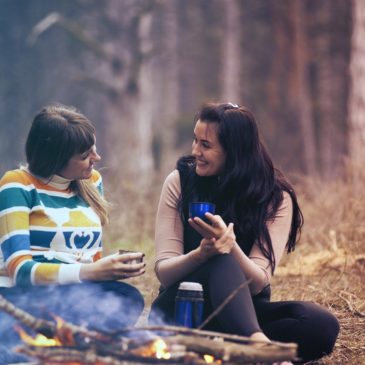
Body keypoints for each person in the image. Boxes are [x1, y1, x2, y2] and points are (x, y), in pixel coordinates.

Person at [149, 102, 339, 363]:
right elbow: (165, 272)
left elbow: (259, 281)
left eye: (206, 145)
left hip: (243, 312)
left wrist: (231, 247)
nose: (196, 151)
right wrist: (202, 254)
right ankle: (259, 349)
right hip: (183, 310)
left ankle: (235, 350)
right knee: (218, 259)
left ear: (234, 151)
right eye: (195, 140)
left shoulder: (276, 197)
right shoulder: (180, 182)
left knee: (321, 324)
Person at [0, 104, 145, 362]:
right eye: (85, 154)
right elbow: (20, 271)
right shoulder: (17, 184)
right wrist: (90, 273)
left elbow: (91, 256)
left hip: (75, 293)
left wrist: (108, 269)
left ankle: (64, 348)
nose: (97, 158)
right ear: (55, 158)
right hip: (23, 295)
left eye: (95, 149)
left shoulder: (91, 182)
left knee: (127, 297)